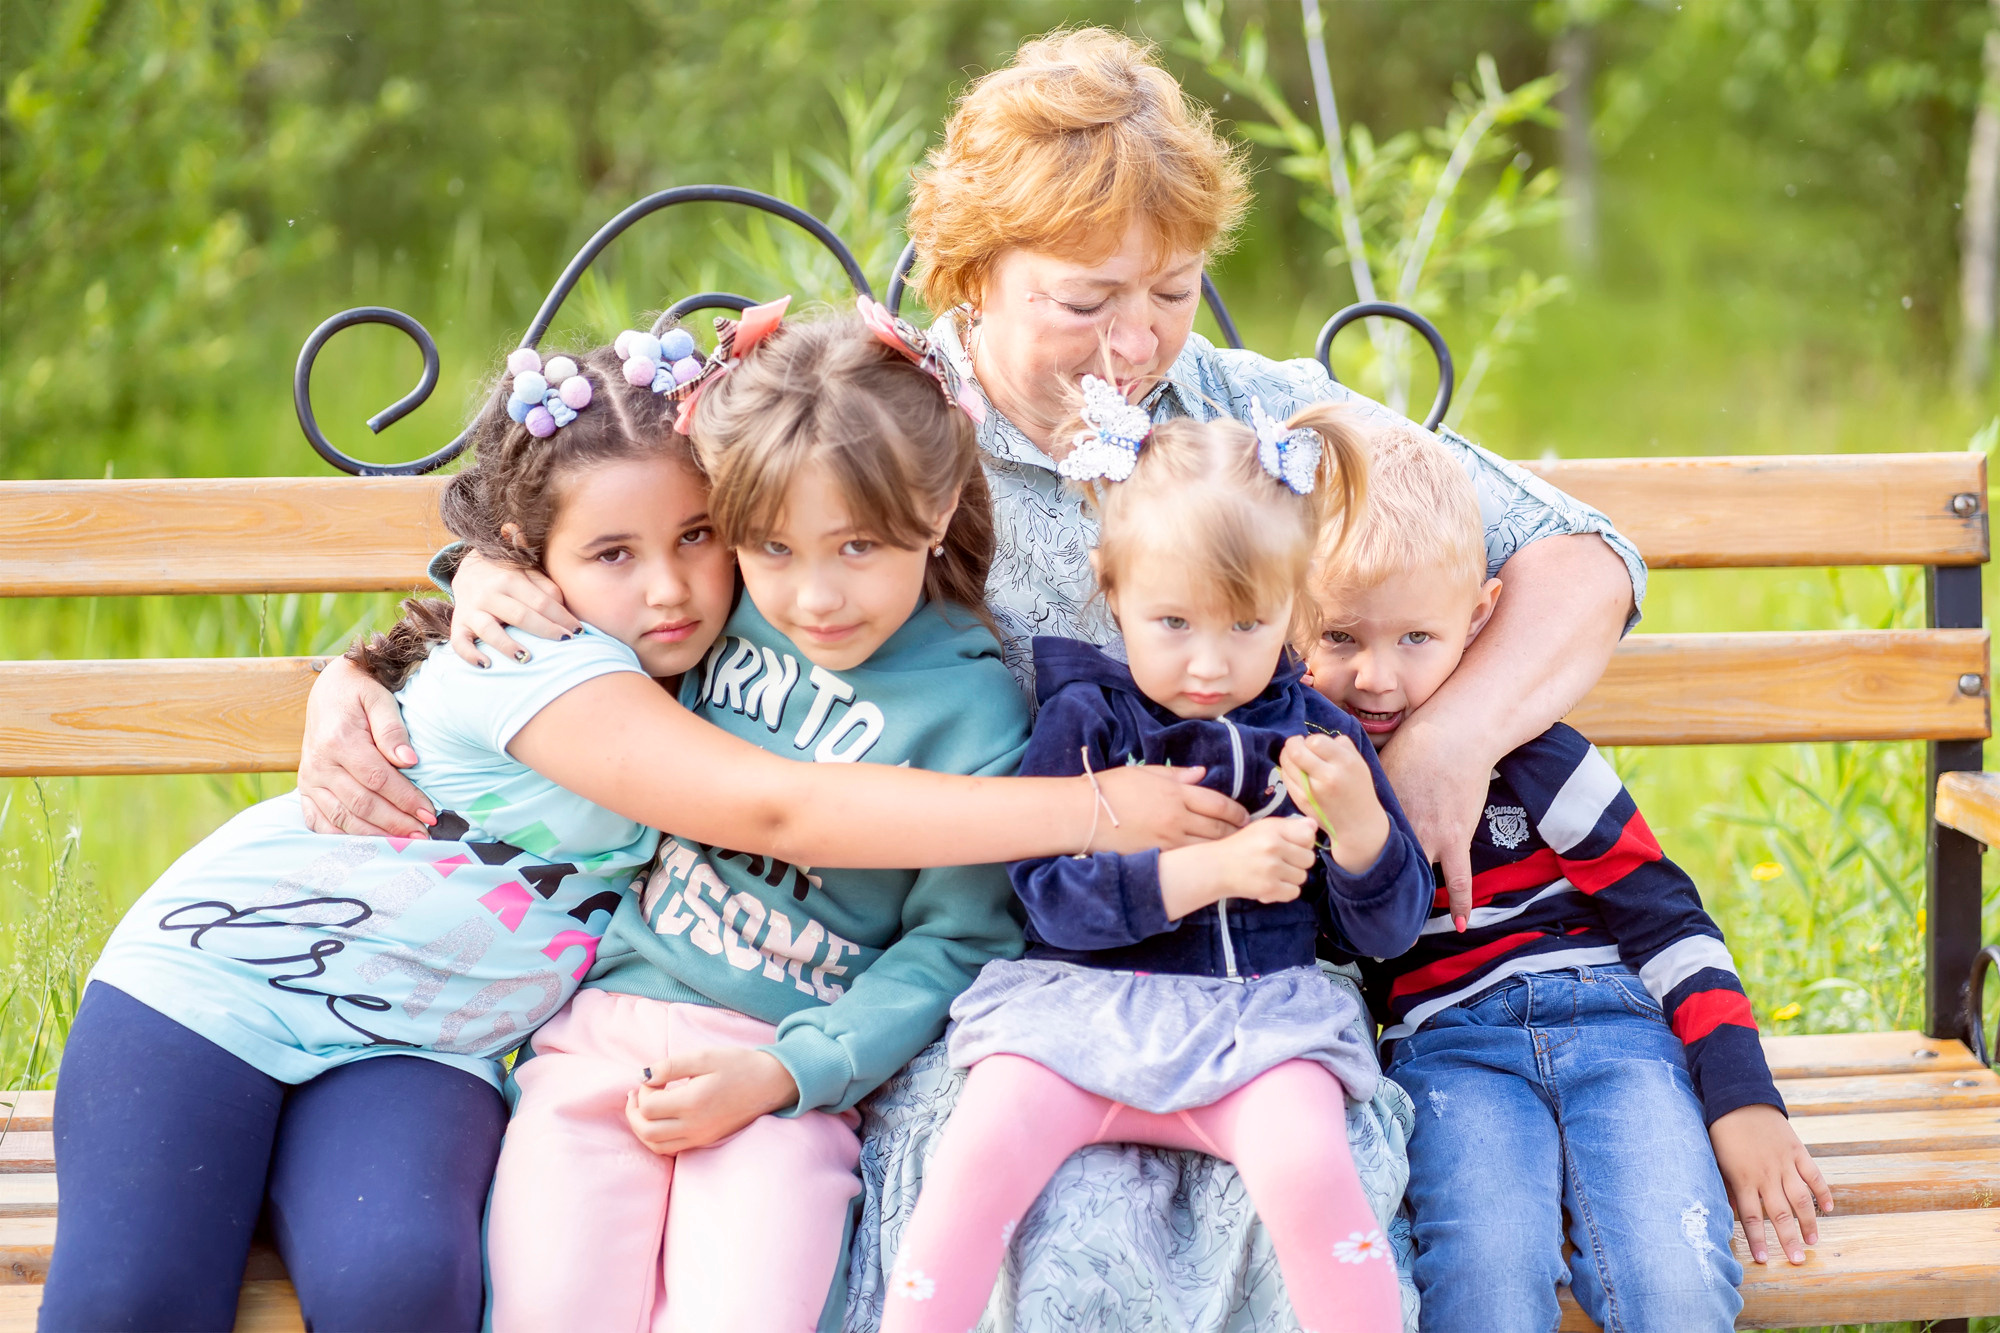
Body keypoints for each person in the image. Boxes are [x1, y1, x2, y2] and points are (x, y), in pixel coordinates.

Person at [295, 26, 1647, 1326]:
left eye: (1169, 292)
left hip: (1243, 965)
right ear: (973, 275)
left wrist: (1446, 743)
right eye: (1085, 301)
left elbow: (1586, 558)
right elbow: (614, 521)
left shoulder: (1248, 420)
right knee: (1046, 1207)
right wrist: (453, 598)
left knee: (1274, 1196)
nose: (1135, 344)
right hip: (956, 970)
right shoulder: (871, 424)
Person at [38, 334, 1239, 1333]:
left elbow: (695, 451)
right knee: (134, 1292)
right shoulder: (541, 653)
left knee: (403, 1281)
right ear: (540, 562)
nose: (670, 587)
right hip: (224, 976)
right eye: (616, 558)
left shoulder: (726, 630)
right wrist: (1091, 809)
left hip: (428, 1042)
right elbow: (778, 804)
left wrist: (475, 563)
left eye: (701, 539)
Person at [486, 304, 1032, 1333]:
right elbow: (576, 561)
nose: (814, 596)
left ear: (940, 499)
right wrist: (475, 572)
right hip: (602, 1040)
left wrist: (789, 1070)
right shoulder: (712, 610)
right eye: (770, 547)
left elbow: (954, 942)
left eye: (858, 546)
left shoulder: (974, 713)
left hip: (786, 1072)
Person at [880, 391, 1429, 1333]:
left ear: (1294, 609)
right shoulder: (1090, 720)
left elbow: (1385, 933)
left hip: (1258, 1020)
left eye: (1247, 625)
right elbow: (1048, 899)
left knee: (1310, 1166)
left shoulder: (1316, 734)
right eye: (1172, 623)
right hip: (1079, 1013)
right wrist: (1205, 874)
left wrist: (1362, 830)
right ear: (1113, 589)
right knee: (977, 1153)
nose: (1209, 664)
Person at [1303, 415, 1831, 1333]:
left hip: (1620, 1035)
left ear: (1478, 617)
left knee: (1673, 1279)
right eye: (1340, 636)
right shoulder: (1312, 782)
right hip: (1451, 1056)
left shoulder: (1541, 757)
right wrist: (1355, 830)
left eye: (1417, 638)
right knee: (1484, 1281)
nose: (1377, 678)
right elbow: (1345, 954)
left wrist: (1742, 1096)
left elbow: (1667, 919)